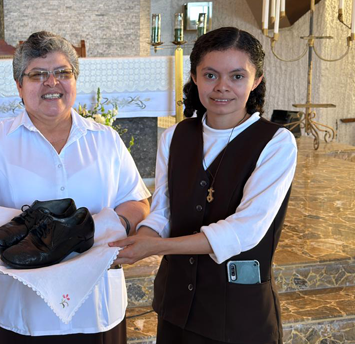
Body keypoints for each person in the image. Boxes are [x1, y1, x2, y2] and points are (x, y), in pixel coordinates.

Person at [0, 31, 151, 343]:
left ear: (75, 80)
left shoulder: (105, 140)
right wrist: (24, 231)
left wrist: (109, 231)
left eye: (62, 73)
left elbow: (136, 201)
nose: (51, 83)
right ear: (19, 85)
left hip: (94, 310)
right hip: (15, 309)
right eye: (37, 75)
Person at [110, 27, 297, 343]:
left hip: (238, 313)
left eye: (237, 76)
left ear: (257, 80)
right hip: (177, 306)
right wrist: (139, 239)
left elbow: (245, 230)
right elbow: (163, 213)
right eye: (210, 75)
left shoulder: (276, 143)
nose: (222, 87)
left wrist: (156, 247)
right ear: (195, 77)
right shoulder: (174, 137)